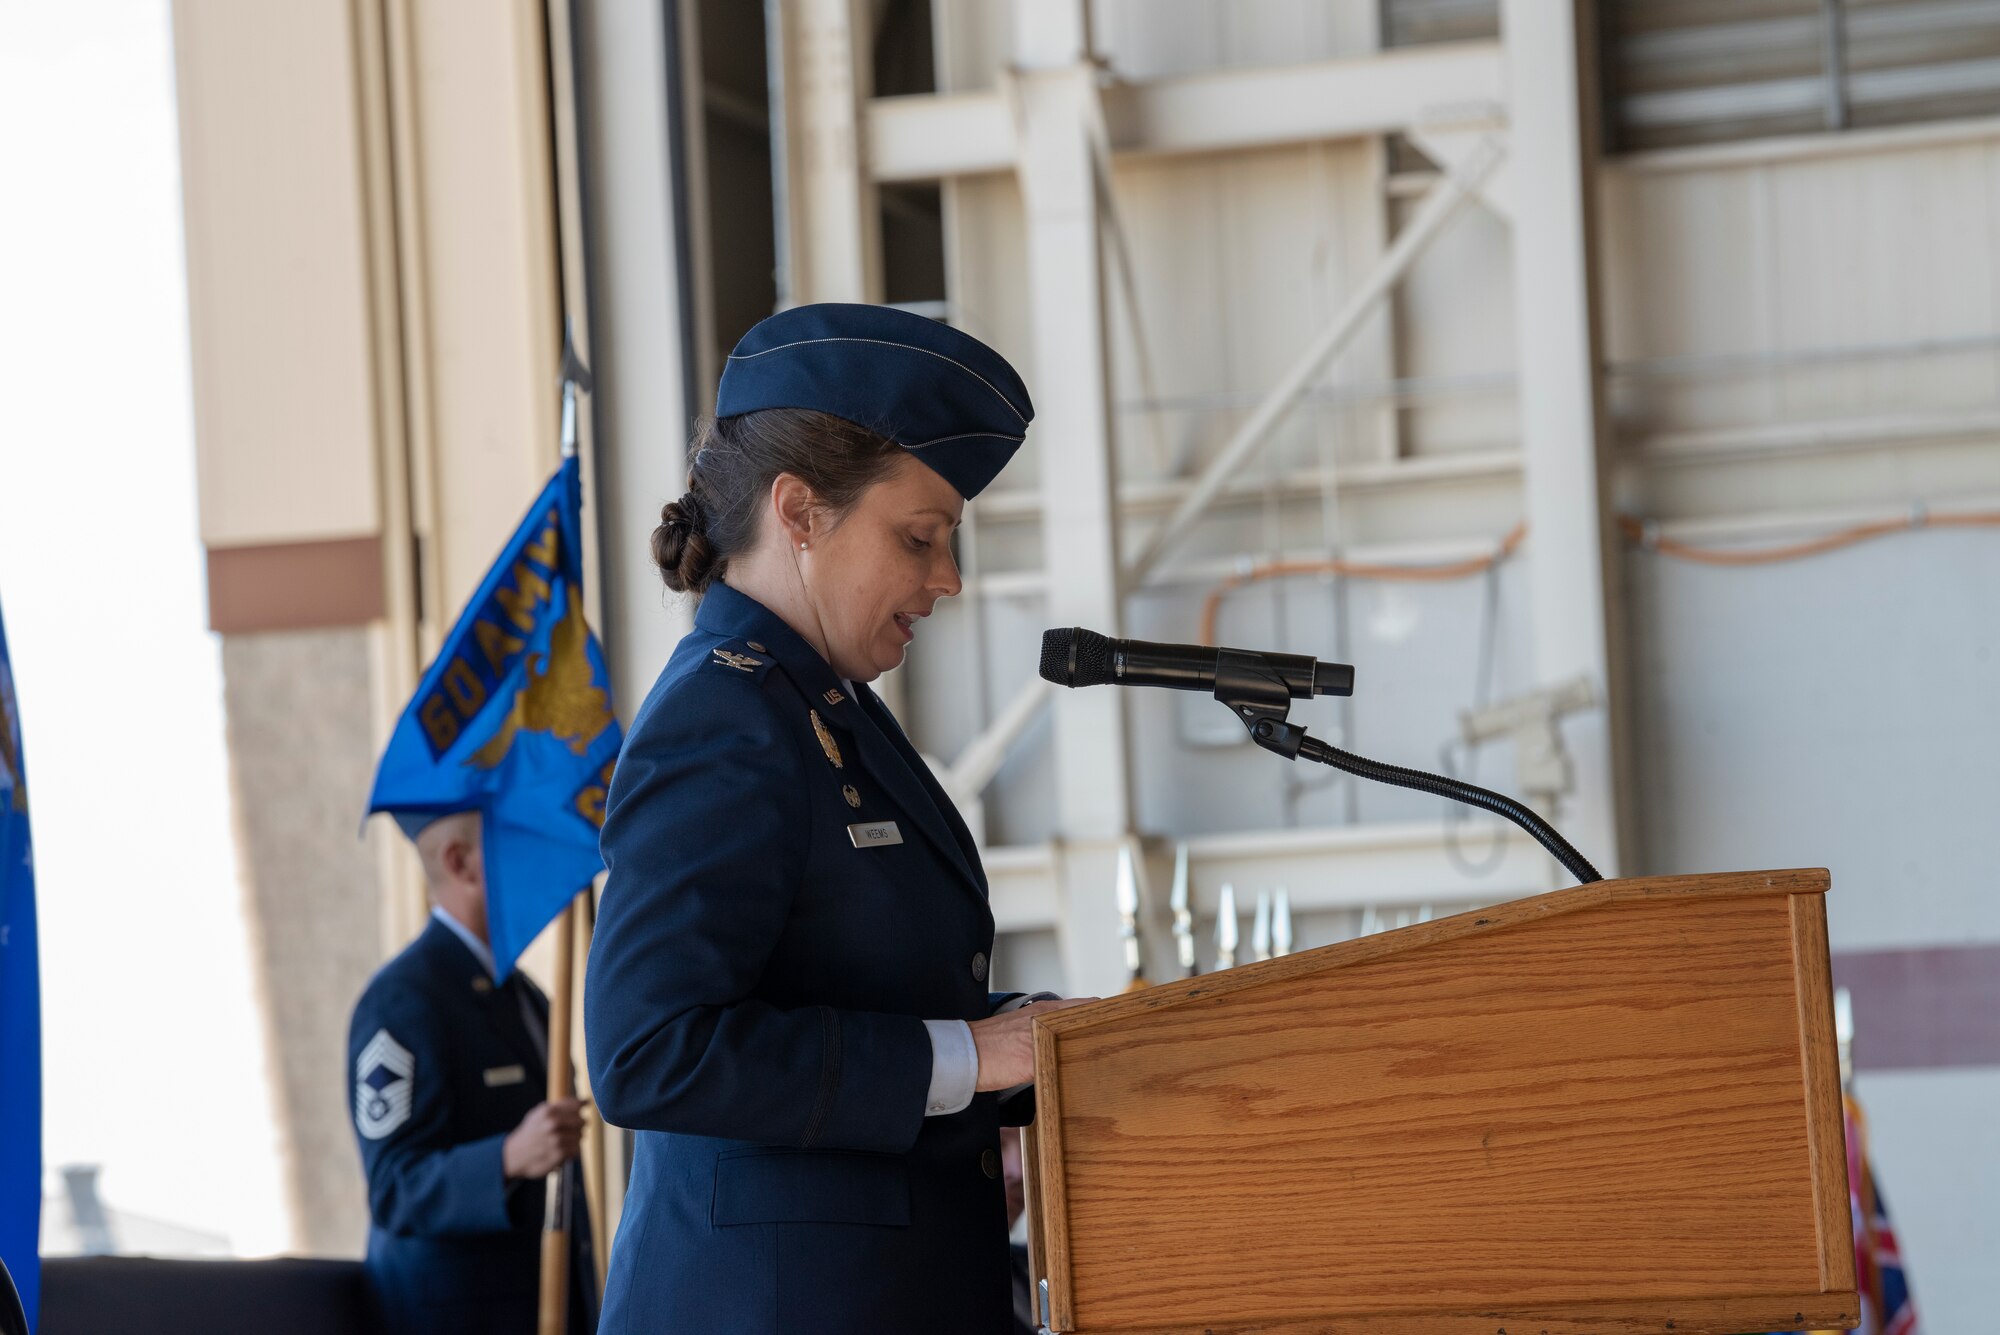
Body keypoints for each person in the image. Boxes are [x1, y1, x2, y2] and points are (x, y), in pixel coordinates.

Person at [585, 302, 1091, 1335]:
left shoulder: (819, 706)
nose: (945, 579)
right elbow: (648, 1049)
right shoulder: (724, 717)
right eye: (919, 538)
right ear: (799, 512)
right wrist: (969, 1058)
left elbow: (854, 991)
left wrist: (1024, 1040)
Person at [347, 809, 597, 1335]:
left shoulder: (525, 994)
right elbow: (394, 1188)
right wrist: (508, 1158)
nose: (536, 858)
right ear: (460, 864)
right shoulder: (403, 999)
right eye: (514, 842)